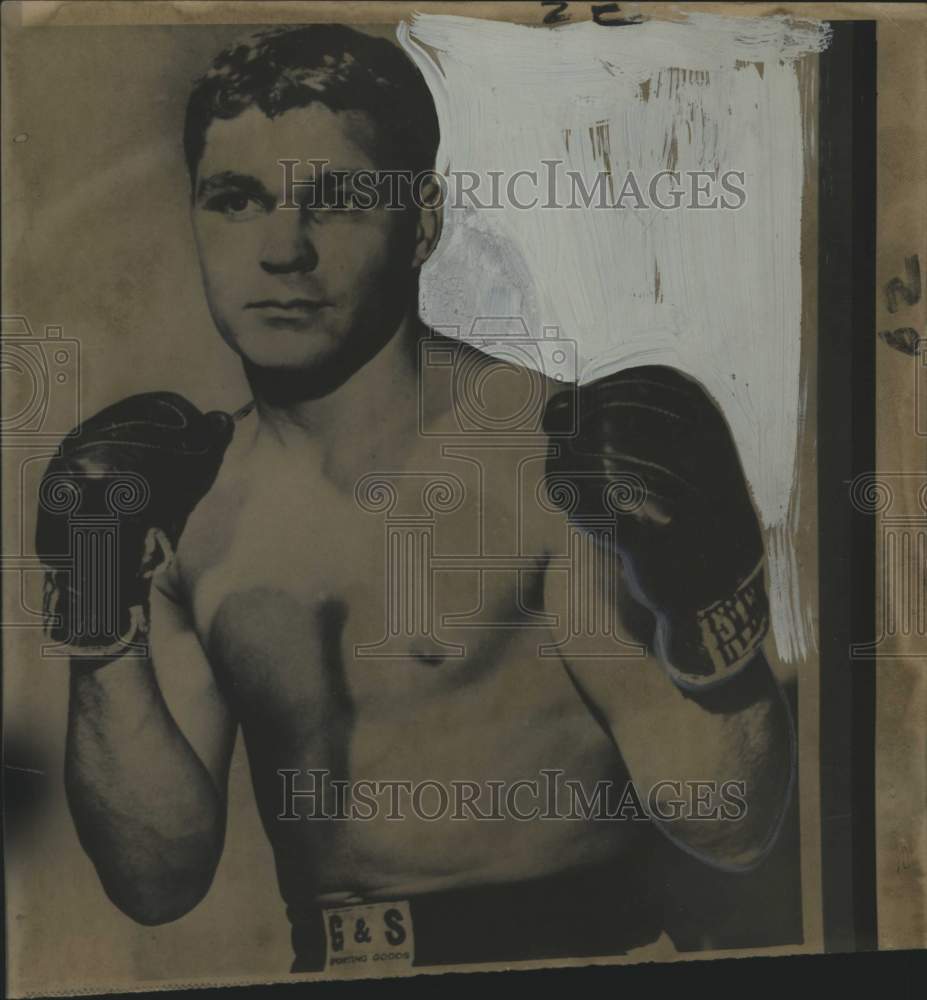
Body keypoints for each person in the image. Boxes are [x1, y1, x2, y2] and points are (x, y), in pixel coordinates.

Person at [36, 24, 794, 973]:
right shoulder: (179, 502)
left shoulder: (550, 459)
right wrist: (96, 621)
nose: (282, 249)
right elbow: (156, 882)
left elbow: (728, 827)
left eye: (338, 200)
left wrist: (714, 598)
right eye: (236, 201)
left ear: (422, 221)